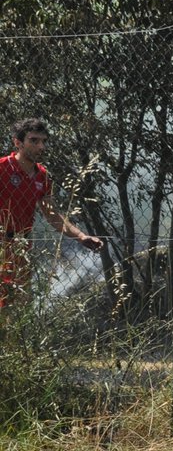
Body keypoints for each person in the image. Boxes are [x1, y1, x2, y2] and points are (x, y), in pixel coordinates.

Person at [1, 118, 104, 308]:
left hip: (22, 246)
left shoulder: (42, 176)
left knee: (17, 306)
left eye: (43, 141)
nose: (41, 146)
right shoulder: (2, 168)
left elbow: (52, 215)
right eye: (34, 140)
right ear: (17, 142)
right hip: (1, 242)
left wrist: (81, 236)